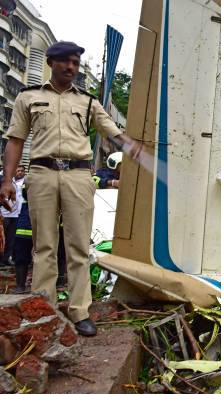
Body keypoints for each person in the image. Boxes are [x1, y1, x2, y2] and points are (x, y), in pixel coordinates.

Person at [0, 41, 142, 337]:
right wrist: (7, 181)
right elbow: (15, 140)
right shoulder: (29, 97)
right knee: (44, 246)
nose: (71, 68)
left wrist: (131, 145)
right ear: (51, 63)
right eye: (65, 61)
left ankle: (80, 311)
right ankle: (47, 311)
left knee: (78, 246)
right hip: (41, 174)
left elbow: (112, 131)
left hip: (78, 175)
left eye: (76, 63)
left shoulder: (89, 102)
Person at [0, 165, 25, 266]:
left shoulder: (19, 182)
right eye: (17, 170)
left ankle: (6, 259)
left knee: (11, 239)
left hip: (15, 215)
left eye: (20, 171)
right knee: (2, 238)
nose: (18, 172)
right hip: (4, 214)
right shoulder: (5, 181)